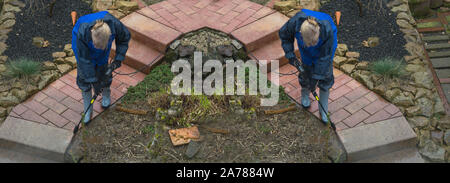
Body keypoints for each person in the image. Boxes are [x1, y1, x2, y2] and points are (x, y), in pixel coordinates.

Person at [279, 9, 337, 124]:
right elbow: (285, 35)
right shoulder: (295, 23)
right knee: (305, 75)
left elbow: (325, 58)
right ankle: (305, 94)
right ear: (300, 33)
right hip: (306, 55)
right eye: (308, 43)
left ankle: (323, 108)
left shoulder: (328, 30)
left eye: (313, 43)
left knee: (325, 79)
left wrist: (316, 77)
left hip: (324, 55)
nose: (311, 45)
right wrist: (290, 54)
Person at [72, 11, 131, 124]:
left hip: (102, 57)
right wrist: (93, 80)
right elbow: (84, 60)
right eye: (97, 46)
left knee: (104, 74)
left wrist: (118, 58)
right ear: (91, 35)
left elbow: (124, 38)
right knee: (84, 79)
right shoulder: (81, 33)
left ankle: (106, 94)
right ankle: (88, 109)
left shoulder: (115, 25)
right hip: (85, 55)